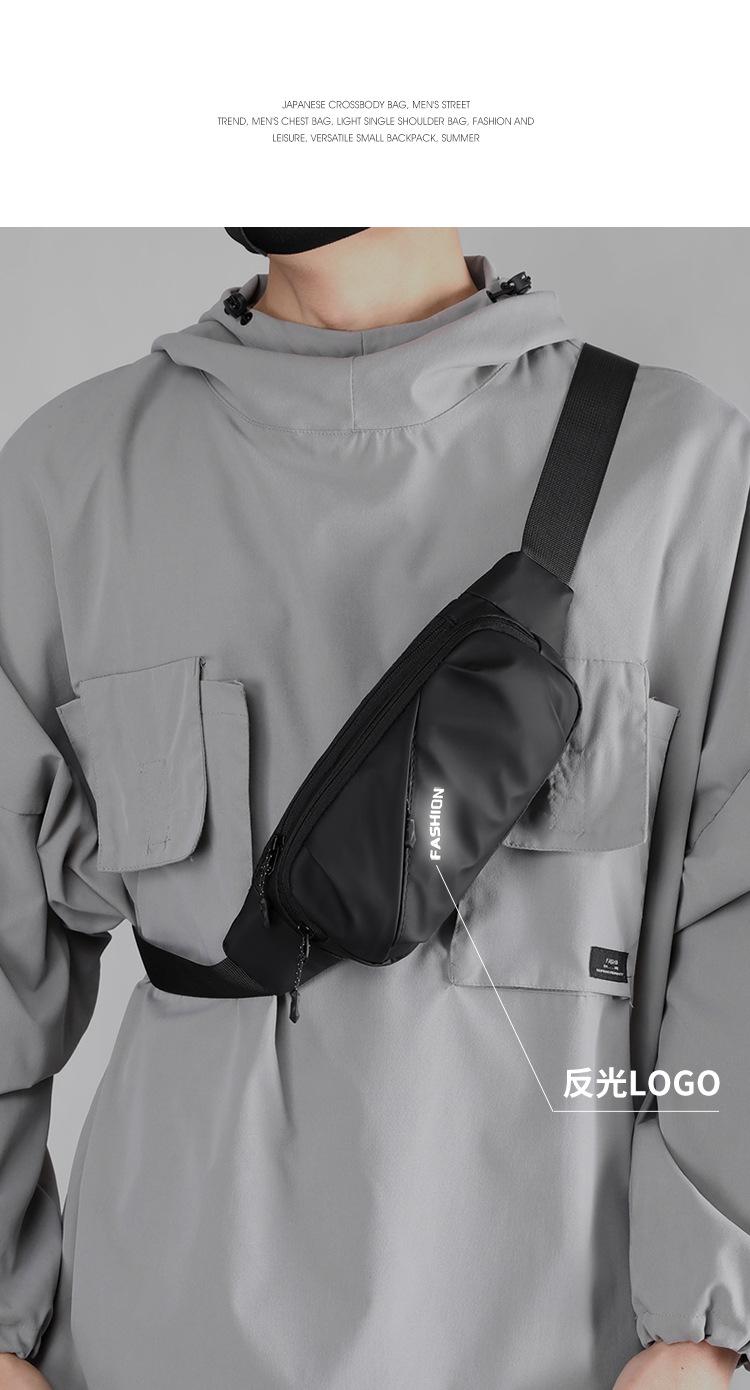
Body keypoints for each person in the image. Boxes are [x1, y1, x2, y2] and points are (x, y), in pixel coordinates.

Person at [0, 227, 747, 1390]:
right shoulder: (71, 480)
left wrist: (703, 1329)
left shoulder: (681, 471)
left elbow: (739, 915)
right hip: (163, 1343)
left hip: (566, 1357)